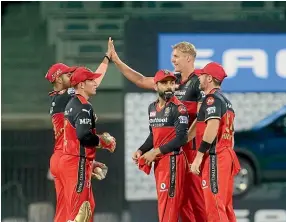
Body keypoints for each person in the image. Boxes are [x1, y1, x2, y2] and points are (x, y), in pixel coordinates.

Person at [111, 41, 206, 221]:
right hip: (174, 150)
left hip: (190, 150)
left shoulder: (198, 81)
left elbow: (202, 118)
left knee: (197, 202)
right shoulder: (172, 80)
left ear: (188, 58)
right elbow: (140, 80)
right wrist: (116, 61)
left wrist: (184, 139)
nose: (173, 60)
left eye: (176, 56)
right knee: (182, 204)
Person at [46, 37, 114, 222]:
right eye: (68, 75)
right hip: (70, 157)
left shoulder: (56, 99)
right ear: (59, 79)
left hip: (60, 156)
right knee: (81, 212)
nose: (72, 77)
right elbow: (93, 80)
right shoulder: (70, 95)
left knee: (63, 213)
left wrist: (88, 163)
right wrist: (107, 58)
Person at [59, 67, 116, 222]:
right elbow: (84, 137)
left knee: (85, 209)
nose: (95, 83)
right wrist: (104, 142)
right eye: (91, 80)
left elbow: (75, 139)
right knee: (80, 213)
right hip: (76, 163)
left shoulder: (73, 103)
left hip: (74, 161)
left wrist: (91, 163)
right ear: (81, 85)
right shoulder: (83, 106)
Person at [132, 69, 189, 222]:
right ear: (156, 86)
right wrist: (142, 149)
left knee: (168, 207)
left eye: (171, 83)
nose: (169, 86)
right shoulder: (152, 108)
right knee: (166, 204)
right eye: (164, 83)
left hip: (173, 160)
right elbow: (153, 135)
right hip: (160, 162)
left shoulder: (179, 108)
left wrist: (156, 151)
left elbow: (182, 138)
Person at [190, 62, 241, 222]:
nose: (199, 78)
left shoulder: (211, 99)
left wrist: (198, 157)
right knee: (225, 207)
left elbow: (212, 127)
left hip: (215, 157)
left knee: (214, 207)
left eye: (202, 75)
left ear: (210, 78)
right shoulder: (225, 100)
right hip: (225, 156)